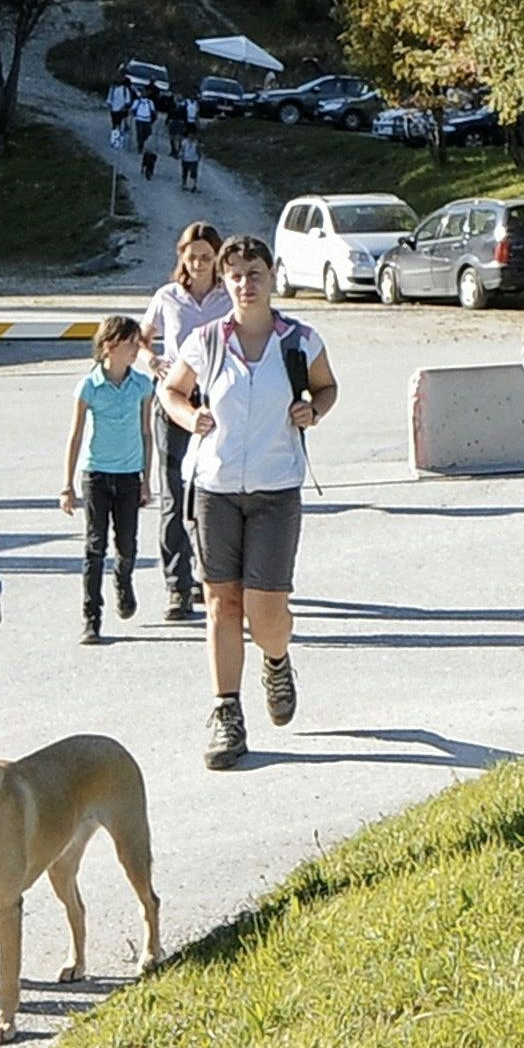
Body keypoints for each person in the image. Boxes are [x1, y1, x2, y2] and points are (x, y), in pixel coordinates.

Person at [156, 233, 337, 769]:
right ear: (225, 281)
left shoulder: (299, 340)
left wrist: (314, 411)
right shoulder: (208, 340)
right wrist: (190, 417)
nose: (244, 282)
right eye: (234, 274)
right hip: (213, 488)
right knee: (222, 604)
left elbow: (326, 388)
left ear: (271, 275)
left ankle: (276, 660)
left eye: (253, 272)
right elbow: (172, 390)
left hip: (275, 488)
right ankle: (226, 713)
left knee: (265, 613)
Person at [140, 223, 228, 623]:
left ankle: (213, 576)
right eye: (191, 257)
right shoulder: (167, 297)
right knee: (174, 493)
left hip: (216, 402)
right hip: (175, 401)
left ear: (217, 259)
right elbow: (142, 337)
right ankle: (177, 585)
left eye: (206, 257)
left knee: (210, 490)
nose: (198, 265)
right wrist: (151, 360)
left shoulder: (228, 297)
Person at [61, 316, 156, 644]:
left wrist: (146, 479)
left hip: (129, 475)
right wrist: (67, 485)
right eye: (131, 344)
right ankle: (91, 616)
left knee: (126, 543)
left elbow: (147, 433)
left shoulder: (142, 385)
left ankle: (123, 579)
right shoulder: (89, 386)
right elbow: (74, 436)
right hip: (96, 474)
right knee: (94, 546)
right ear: (110, 346)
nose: (136, 350)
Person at [171, 100, 202, 194]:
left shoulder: (196, 143)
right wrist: (180, 154)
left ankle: (193, 185)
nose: (191, 137)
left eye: (192, 135)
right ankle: (184, 184)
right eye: (189, 135)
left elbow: (198, 150)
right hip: (186, 159)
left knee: (193, 173)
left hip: (194, 159)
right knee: (185, 172)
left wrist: (199, 156)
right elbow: (182, 149)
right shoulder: (184, 142)